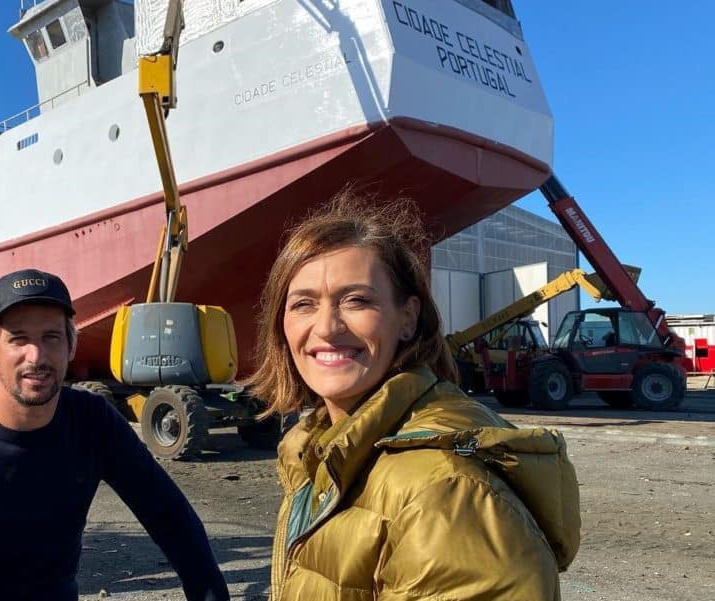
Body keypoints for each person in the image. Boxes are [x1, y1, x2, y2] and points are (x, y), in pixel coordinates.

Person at [249, 192, 581, 600]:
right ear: (280, 324)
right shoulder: (319, 453)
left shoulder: (447, 492)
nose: (327, 327)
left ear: (407, 318)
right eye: (303, 304)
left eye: (356, 300)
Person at [0, 268, 230, 600]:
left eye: (51, 337)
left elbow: (170, 517)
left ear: (71, 346)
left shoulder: (92, 421)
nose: (36, 356)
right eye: (19, 338)